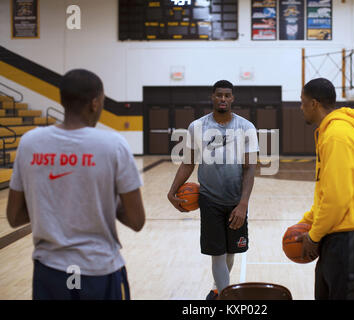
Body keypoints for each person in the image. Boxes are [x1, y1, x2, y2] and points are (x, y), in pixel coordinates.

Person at [6, 69, 146, 300]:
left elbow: (14, 217)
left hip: (49, 272)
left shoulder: (30, 142)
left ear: (62, 100)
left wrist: (53, 203)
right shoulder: (113, 144)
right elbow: (136, 221)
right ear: (95, 103)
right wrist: (104, 201)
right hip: (100, 270)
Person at [167, 80, 259, 300]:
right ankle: (225, 297)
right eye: (219, 95)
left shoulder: (246, 127)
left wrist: (243, 203)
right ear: (213, 97)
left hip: (236, 200)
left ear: (233, 98)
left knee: (229, 252)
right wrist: (172, 191)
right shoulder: (197, 127)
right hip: (209, 198)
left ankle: (218, 288)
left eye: (227, 95)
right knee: (217, 253)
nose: (223, 99)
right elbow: (188, 162)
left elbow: (250, 168)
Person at [297, 78, 354, 300]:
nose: (300, 107)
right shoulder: (330, 132)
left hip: (348, 240)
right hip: (336, 236)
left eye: (302, 102)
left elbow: (337, 198)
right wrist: (307, 220)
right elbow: (326, 190)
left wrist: (313, 236)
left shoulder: (337, 135)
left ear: (314, 104)